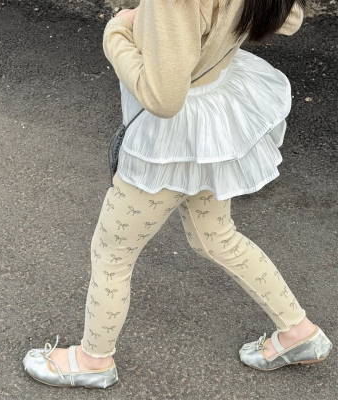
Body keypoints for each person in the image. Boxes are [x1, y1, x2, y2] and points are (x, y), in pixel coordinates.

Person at [23, 0, 333, 388]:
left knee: (113, 252)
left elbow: (163, 98)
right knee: (216, 236)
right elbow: (290, 18)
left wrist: (116, 33)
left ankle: (92, 360)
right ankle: (298, 332)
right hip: (215, 118)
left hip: (170, 142)